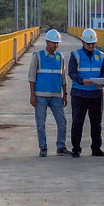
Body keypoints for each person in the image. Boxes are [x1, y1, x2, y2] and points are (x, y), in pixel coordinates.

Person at [28, 29, 71, 157]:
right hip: (40, 96)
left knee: (62, 122)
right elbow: (31, 78)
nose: (55, 45)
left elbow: (63, 78)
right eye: (53, 43)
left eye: (57, 43)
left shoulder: (60, 57)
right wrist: (32, 96)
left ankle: (61, 146)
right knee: (41, 123)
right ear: (47, 42)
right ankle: (43, 147)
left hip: (56, 96)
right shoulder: (37, 56)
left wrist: (65, 94)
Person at [68, 28, 104, 158]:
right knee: (77, 122)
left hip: (96, 94)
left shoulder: (101, 56)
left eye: (93, 44)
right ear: (83, 42)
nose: (91, 46)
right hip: (79, 94)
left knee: (96, 123)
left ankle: (96, 148)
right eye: (88, 44)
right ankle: (76, 148)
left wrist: (102, 82)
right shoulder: (76, 55)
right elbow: (72, 73)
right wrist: (81, 81)